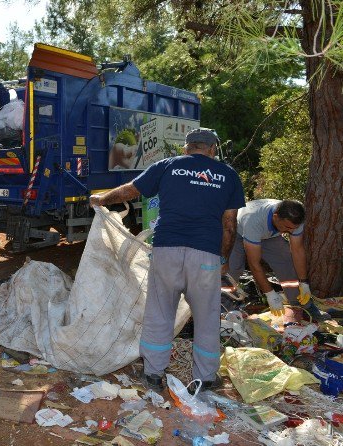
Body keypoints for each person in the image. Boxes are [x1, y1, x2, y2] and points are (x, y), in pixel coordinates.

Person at [90, 128, 245, 392]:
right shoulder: (228, 175)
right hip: (206, 255)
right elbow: (229, 225)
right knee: (207, 317)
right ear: (212, 149)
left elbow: (130, 191)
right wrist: (224, 259)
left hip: (166, 250)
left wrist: (101, 199)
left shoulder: (168, 166)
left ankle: (153, 374)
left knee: (160, 312)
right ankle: (205, 379)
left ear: (186, 148)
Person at [228, 199, 330, 321]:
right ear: (276, 217)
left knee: (287, 262)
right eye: (288, 227)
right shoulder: (253, 220)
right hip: (238, 233)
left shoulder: (295, 216)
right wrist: (270, 294)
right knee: (232, 270)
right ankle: (225, 308)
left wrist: (304, 282)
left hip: (270, 235)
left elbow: (297, 250)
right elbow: (254, 264)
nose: (291, 231)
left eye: (294, 228)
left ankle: (303, 306)